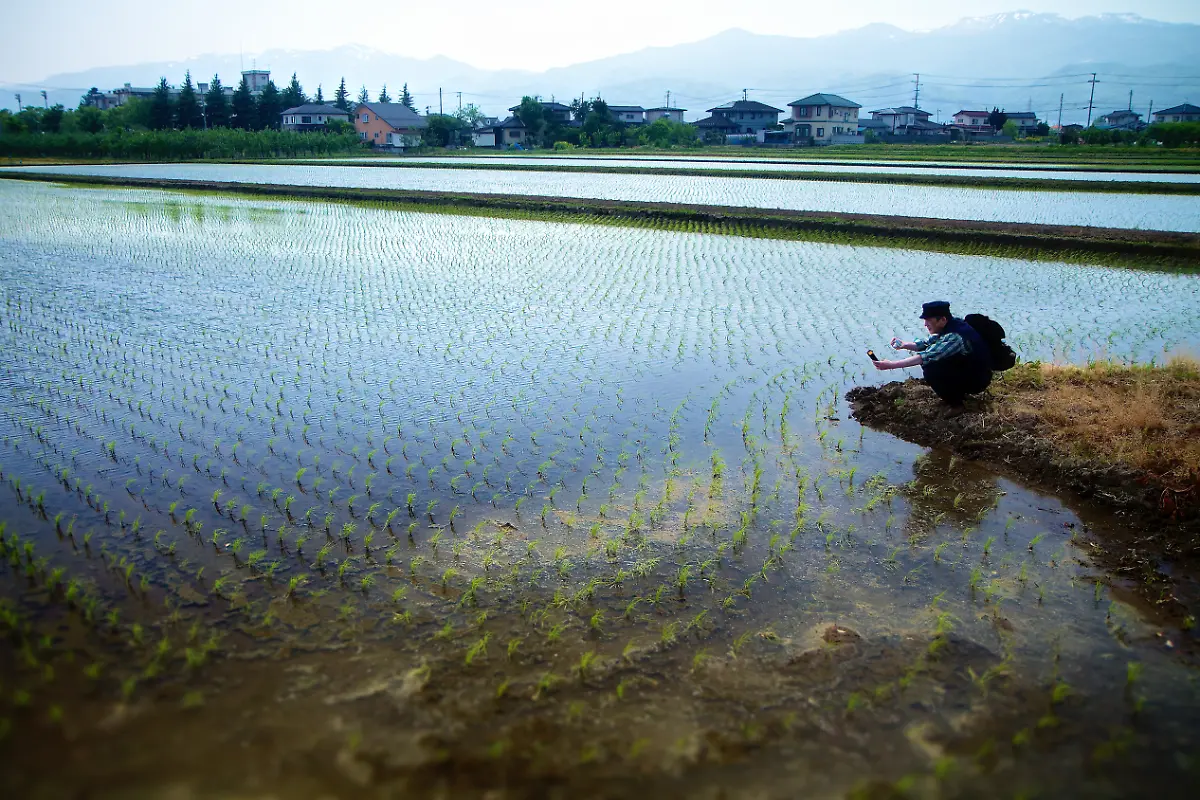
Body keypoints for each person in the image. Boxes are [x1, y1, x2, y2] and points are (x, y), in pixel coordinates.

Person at [872, 300, 993, 408]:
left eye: (928, 320)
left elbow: (925, 356)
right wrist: (904, 345)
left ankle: (956, 405)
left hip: (978, 379)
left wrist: (890, 365)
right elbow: (927, 344)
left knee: (930, 368)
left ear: (942, 320)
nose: (925, 324)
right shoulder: (952, 325)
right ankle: (957, 394)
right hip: (971, 371)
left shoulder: (954, 337)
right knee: (935, 363)